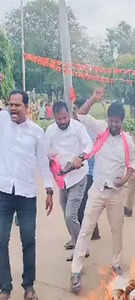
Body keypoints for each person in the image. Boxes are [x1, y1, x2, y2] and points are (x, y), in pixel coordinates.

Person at [70, 100, 135, 293]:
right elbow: (80, 115)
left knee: (117, 230)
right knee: (85, 229)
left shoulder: (128, 141)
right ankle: (76, 270)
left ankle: (116, 263)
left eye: (117, 122)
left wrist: (123, 180)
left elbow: (131, 166)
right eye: (112, 121)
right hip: (97, 191)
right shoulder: (100, 129)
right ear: (108, 119)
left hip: (116, 194)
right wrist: (92, 99)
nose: (114, 125)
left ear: (122, 121)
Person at [0, 90, 54, 300]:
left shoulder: (36, 132)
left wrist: (49, 189)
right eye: (10, 104)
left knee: (28, 240)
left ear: (27, 107)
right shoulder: (2, 121)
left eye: (17, 105)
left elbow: (43, 163)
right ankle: (5, 287)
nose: (13, 108)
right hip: (4, 192)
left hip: (26, 195)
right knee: (0, 240)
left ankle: (28, 286)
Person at [45, 101, 93, 261]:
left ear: (68, 115)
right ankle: (75, 239)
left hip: (78, 177)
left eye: (65, 117)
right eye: (59, 119)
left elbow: (89, 146)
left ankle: (81, 248)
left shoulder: (77, 128)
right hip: (62, 179)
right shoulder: (50, 131)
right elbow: (46, 153)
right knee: (65, 210)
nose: (63, 121)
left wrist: (80, 157)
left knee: (70, 216)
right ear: (54, 117)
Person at [73, 96, 101, 241]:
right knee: (85, 203)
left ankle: (91, 232)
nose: (74, 113)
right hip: (83, 169)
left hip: (90, 170)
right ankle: (93, 232)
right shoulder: (76, 127)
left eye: (75, 109)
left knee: (84, 203)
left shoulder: (87, 126)